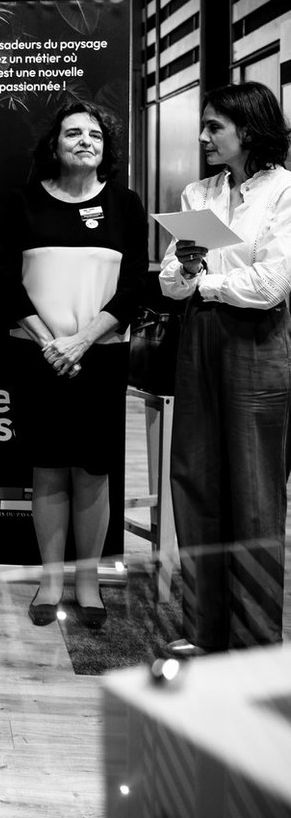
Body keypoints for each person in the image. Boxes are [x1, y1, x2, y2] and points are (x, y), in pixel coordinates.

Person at [0, 103, 147, 628]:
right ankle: (51, 580)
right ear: (54, 145)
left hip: (100, 356)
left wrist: (80, 341)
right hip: (37, 355)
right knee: (48, 466)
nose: (85, 140)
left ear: (106, 147)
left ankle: (87, 582)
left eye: (95, 134)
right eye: (73, 133)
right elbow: (3, 282)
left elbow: (134, 287)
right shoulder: (22, 202)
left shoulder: (126, 204)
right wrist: (51, 343)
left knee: (93, 469)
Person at [159, 81, 291, 655]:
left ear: (250, 130)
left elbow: (270, 285)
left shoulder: (285, 191)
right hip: (200, 338)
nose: (203, 136)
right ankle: (203, 631)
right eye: (204, 125)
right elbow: (171, 282)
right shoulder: (198, 193)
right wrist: (188, 272)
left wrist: (205, 281)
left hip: (258, 342)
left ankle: (254, 643)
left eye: (215, 126)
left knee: (255, 493)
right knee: (195, 481)